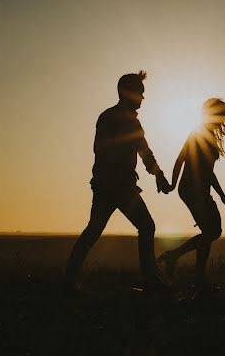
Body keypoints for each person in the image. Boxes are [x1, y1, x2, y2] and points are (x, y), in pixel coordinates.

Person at [63, 70, 171, 293]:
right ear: (128, 93)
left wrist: (158, 174)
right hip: (118, 186)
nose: (143, 98)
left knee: (93, 231)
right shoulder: (117, 119)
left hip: (108, 185)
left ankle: (69, 279)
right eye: (140, 93)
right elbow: (108, 149)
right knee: (146, 226)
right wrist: (153, 173)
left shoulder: (120, 119)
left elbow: (143, 151)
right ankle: (150, 280)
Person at [157, 98, 225, 295]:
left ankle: (178, 261)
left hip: (200, 190)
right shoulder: (197, 135)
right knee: (211, 231)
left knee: (212, 231)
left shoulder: (209, 137)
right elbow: (180, 160)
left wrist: (221, 195)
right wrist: (172, 184)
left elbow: (208, 172)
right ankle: (198, 280)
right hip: (191, 190)